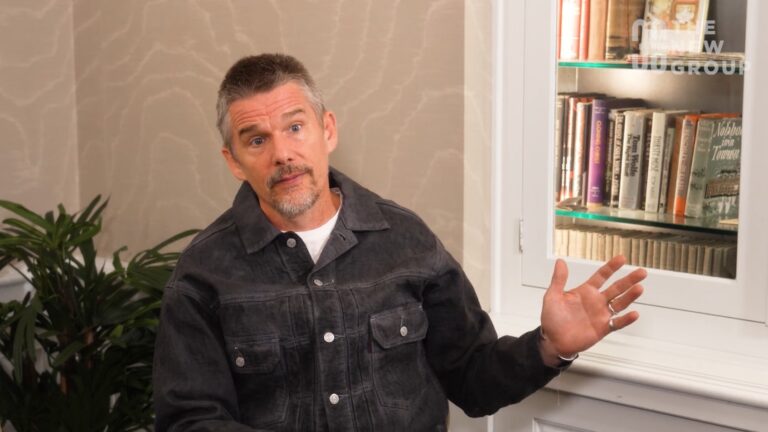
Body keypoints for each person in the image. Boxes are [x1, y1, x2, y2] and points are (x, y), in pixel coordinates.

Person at [152, 53, 646, 431]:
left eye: (295, 127)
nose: (283, 153)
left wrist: (549, 348)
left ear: (327, 130)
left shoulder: (407, 241)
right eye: (256, 140)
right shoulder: (203, 274)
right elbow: (190, 421)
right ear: (234, 160)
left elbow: (472, 379)